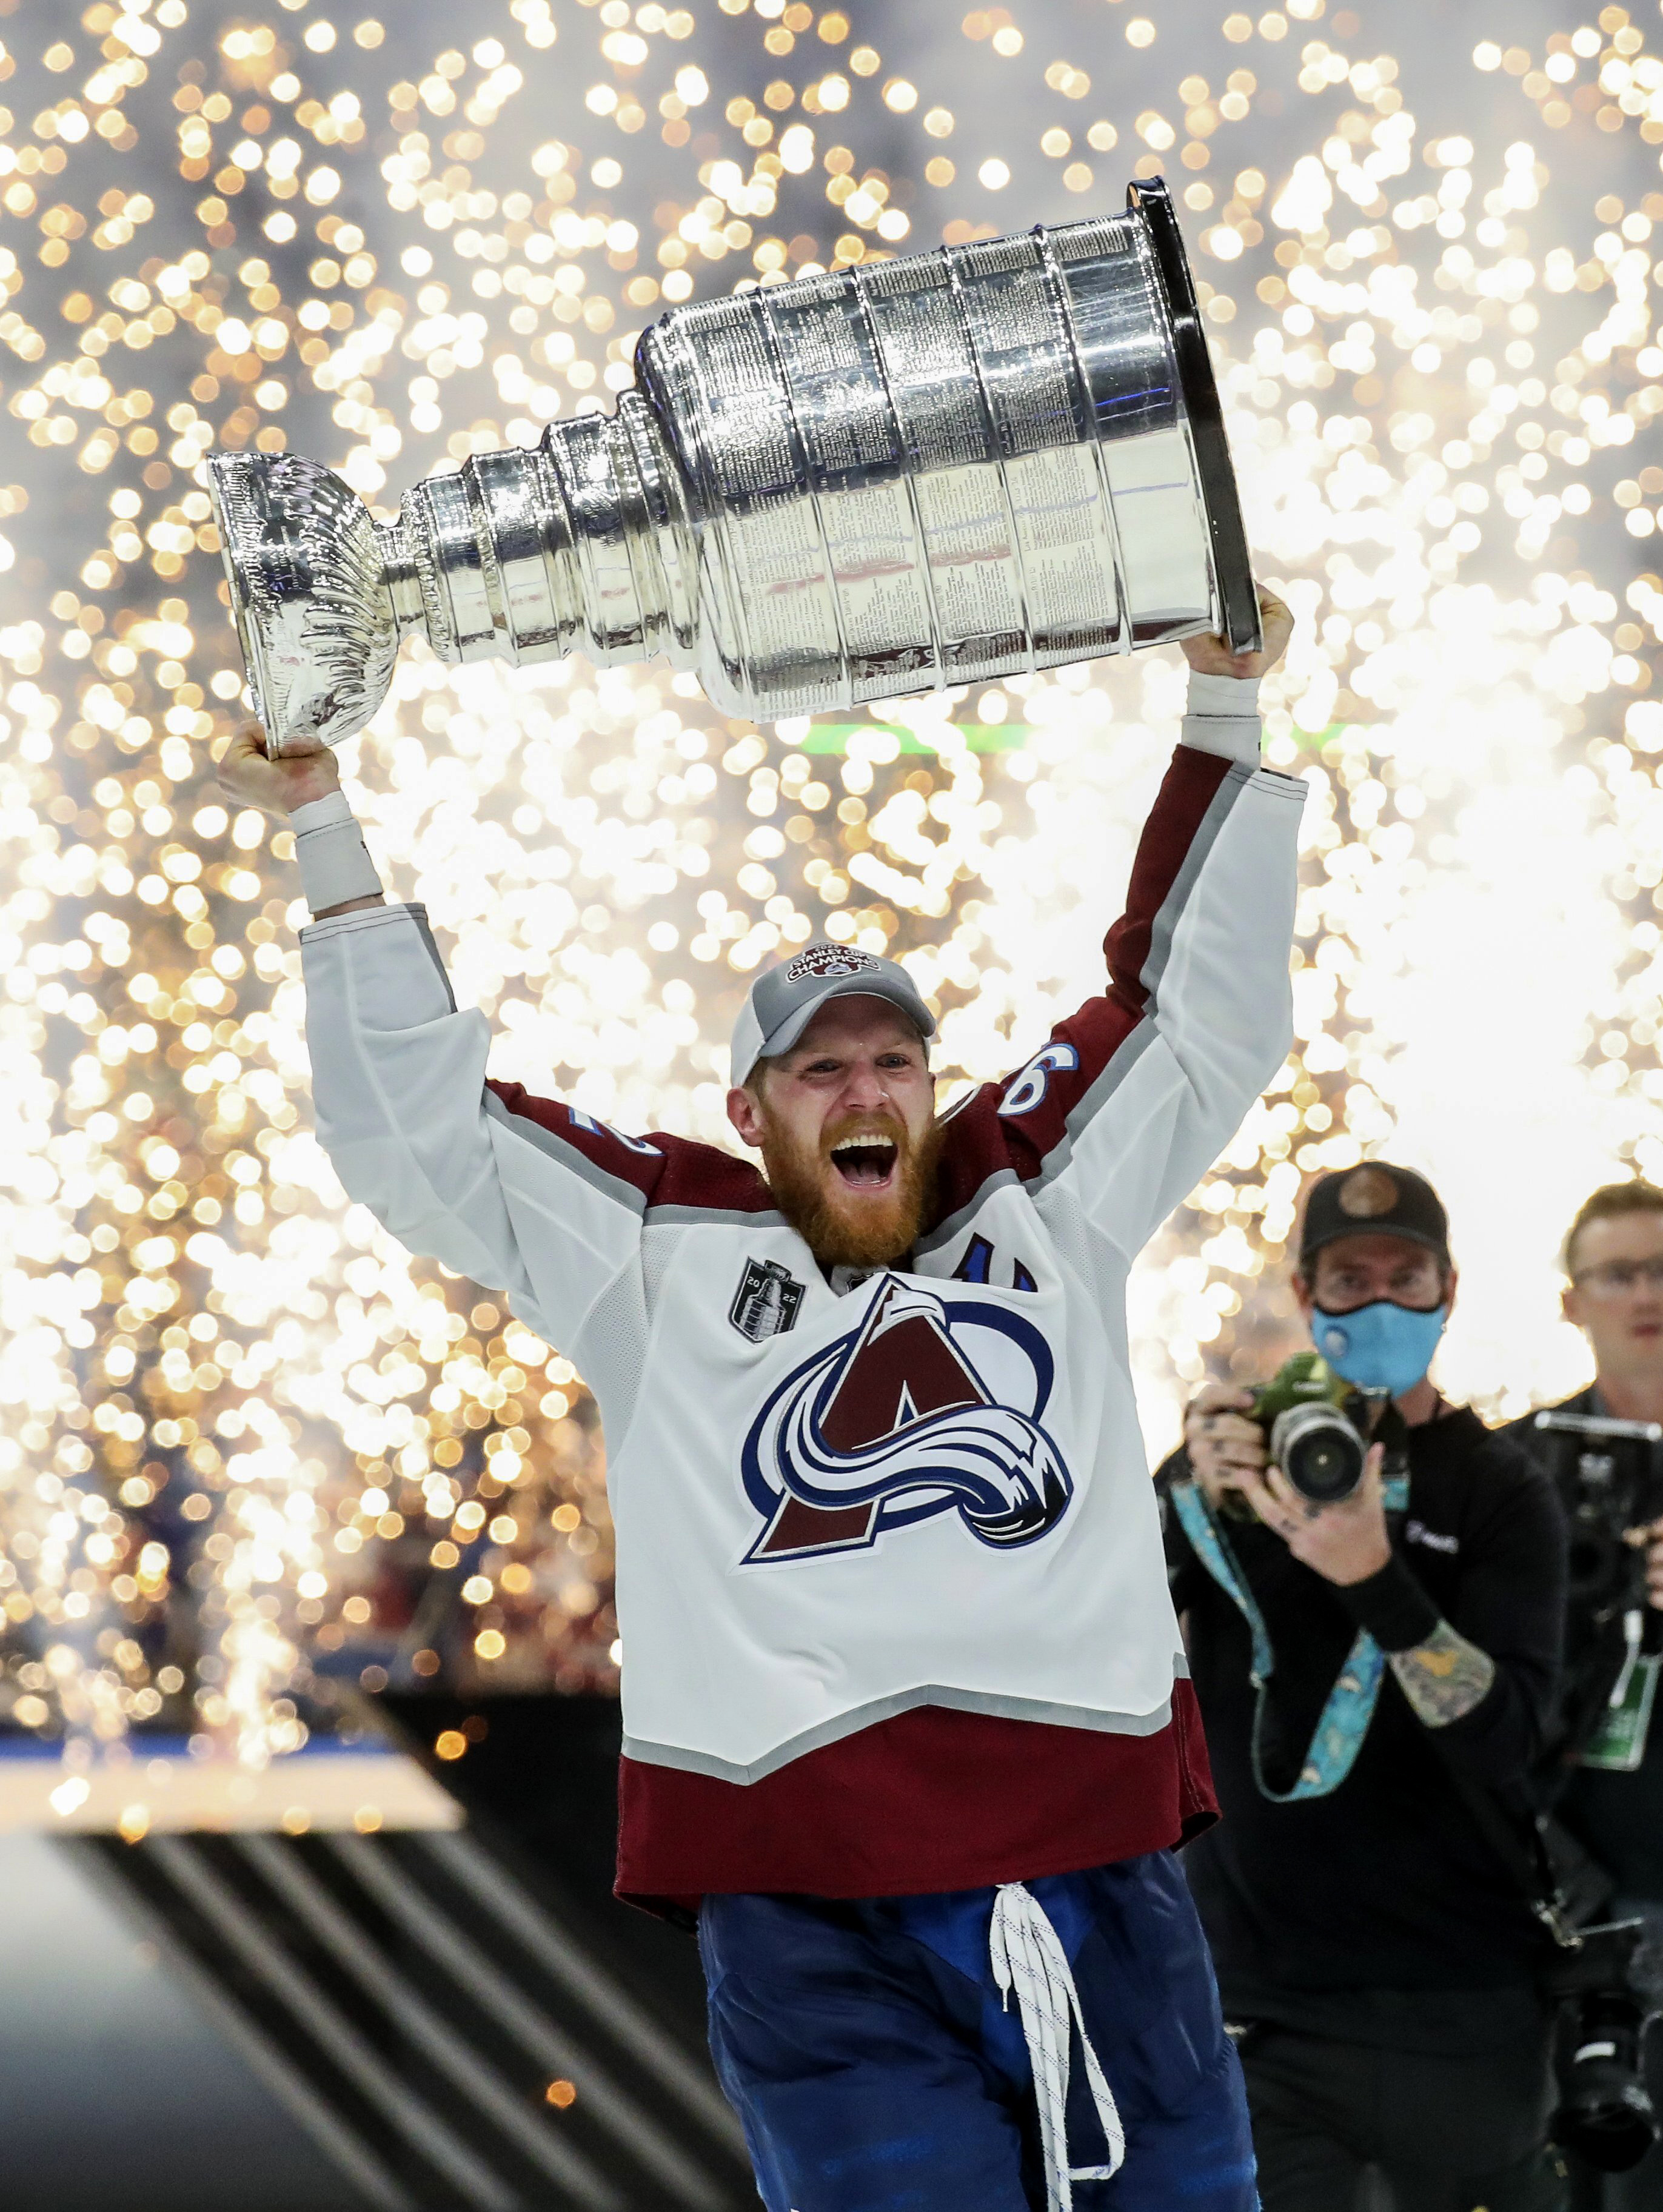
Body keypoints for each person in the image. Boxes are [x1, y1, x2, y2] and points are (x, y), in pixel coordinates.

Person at [221, 585, 1303, 2212]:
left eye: (894, 1063)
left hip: (1096, 1858)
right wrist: (320, 808)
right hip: (814, 1909)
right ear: (753, 1107)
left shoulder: (1039, 1193)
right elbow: (417, 1135)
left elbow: (1195, 1012)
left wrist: (1223, 702)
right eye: (823, 1068)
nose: (867, 1090)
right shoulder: (655, 1243)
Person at [1168, 1161, 1569, 2212]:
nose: (1382, 1299)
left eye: (1407, 1274)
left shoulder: (1500, 1490)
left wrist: (1373, 1578)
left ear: (1449, 1290)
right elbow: (1096, 1634)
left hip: (1465, 2002)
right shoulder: (1235, 1466)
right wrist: (1180, 1499)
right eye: (1351, 1278)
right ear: (1306, 1297)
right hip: (1265, 2000)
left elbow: (1511, 1744)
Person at [1505, 1181, 1663, 2212]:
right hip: (1580, 1896)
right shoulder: (1517, 1470)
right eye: (1620, 1273)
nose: (1647, 1293)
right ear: (1574, 1301)